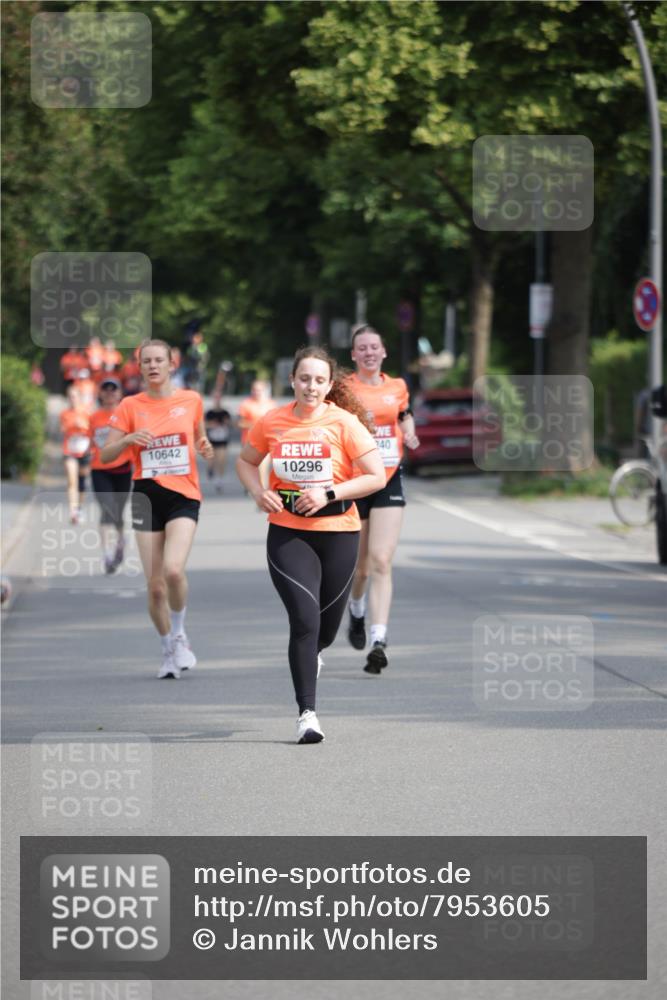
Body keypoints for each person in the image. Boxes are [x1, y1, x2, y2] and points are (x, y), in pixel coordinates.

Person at [236, 345, 385, 744]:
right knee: (304, 620)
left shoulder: (344, 423)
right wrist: (257, 492)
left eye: (320, 380)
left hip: (339, 531)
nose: (312, 387)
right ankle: (307, 714)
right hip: (289, 531)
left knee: (325, 630)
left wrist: (329, 493)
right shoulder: (273, 421)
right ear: (292, 380)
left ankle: (313, 655)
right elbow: (246, 461)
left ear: (330, 384)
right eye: (305, 379)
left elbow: (376, 476)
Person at [101, 339, 214, 679]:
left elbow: (199, 438)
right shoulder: (130, 406)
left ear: (171, 364)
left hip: (183, 494)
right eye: (146, 361)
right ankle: (167, 649)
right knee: (155, 586)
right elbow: (106, 455)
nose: (152, 366)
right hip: (146, 496)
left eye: (158, 360)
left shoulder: (191, 399)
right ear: (139, 366)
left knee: (174, 571)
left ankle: (179, 632)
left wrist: (204, 446)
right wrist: (127, 440)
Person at [345, 324, 420, 674]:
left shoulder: (398, 386)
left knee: (381, 561)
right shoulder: (344, 387)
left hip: (389, 478)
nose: (369, 352)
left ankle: (379, 639)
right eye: (362, 348)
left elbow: (403, 414)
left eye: (375, 346)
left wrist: (409, 429)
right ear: (354, 355)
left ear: (384, 352)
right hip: (357, 480)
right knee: (360, 568)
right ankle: (356, 611)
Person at [89, 377, 132, 573]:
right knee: (107, 509)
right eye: (105, 390)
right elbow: (89, 442)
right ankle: (106, 554)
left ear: (120, 393)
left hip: (123, 468)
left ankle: (121, 542)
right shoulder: (94, 417)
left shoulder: (127, 415)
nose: (109, 393)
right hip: (100, 469)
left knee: (118, 512)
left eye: (113, 390)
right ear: (100, 394)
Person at [60, 384, 91, 524]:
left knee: (82, 483)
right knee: (72, 481)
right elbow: (62, 430)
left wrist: (82, 426)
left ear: (79, 397)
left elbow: (92, 431)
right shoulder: (65, 414)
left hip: (84, 450)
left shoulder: (87, 413)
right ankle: (73, 511)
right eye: (70, 396)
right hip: (70, 450)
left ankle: (79, 507)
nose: (72, 399)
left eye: (75, 396)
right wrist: (71, 426)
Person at [205, 395, 232, 493]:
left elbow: (231, 424)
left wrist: (227, 422)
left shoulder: (225, 412)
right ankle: (210, 468)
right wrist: (211, 424)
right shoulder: (209, 413)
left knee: (221, 460)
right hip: (212, 440)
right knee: (212, 459)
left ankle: (219, 480)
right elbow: (203, 425)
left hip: (222, 440)